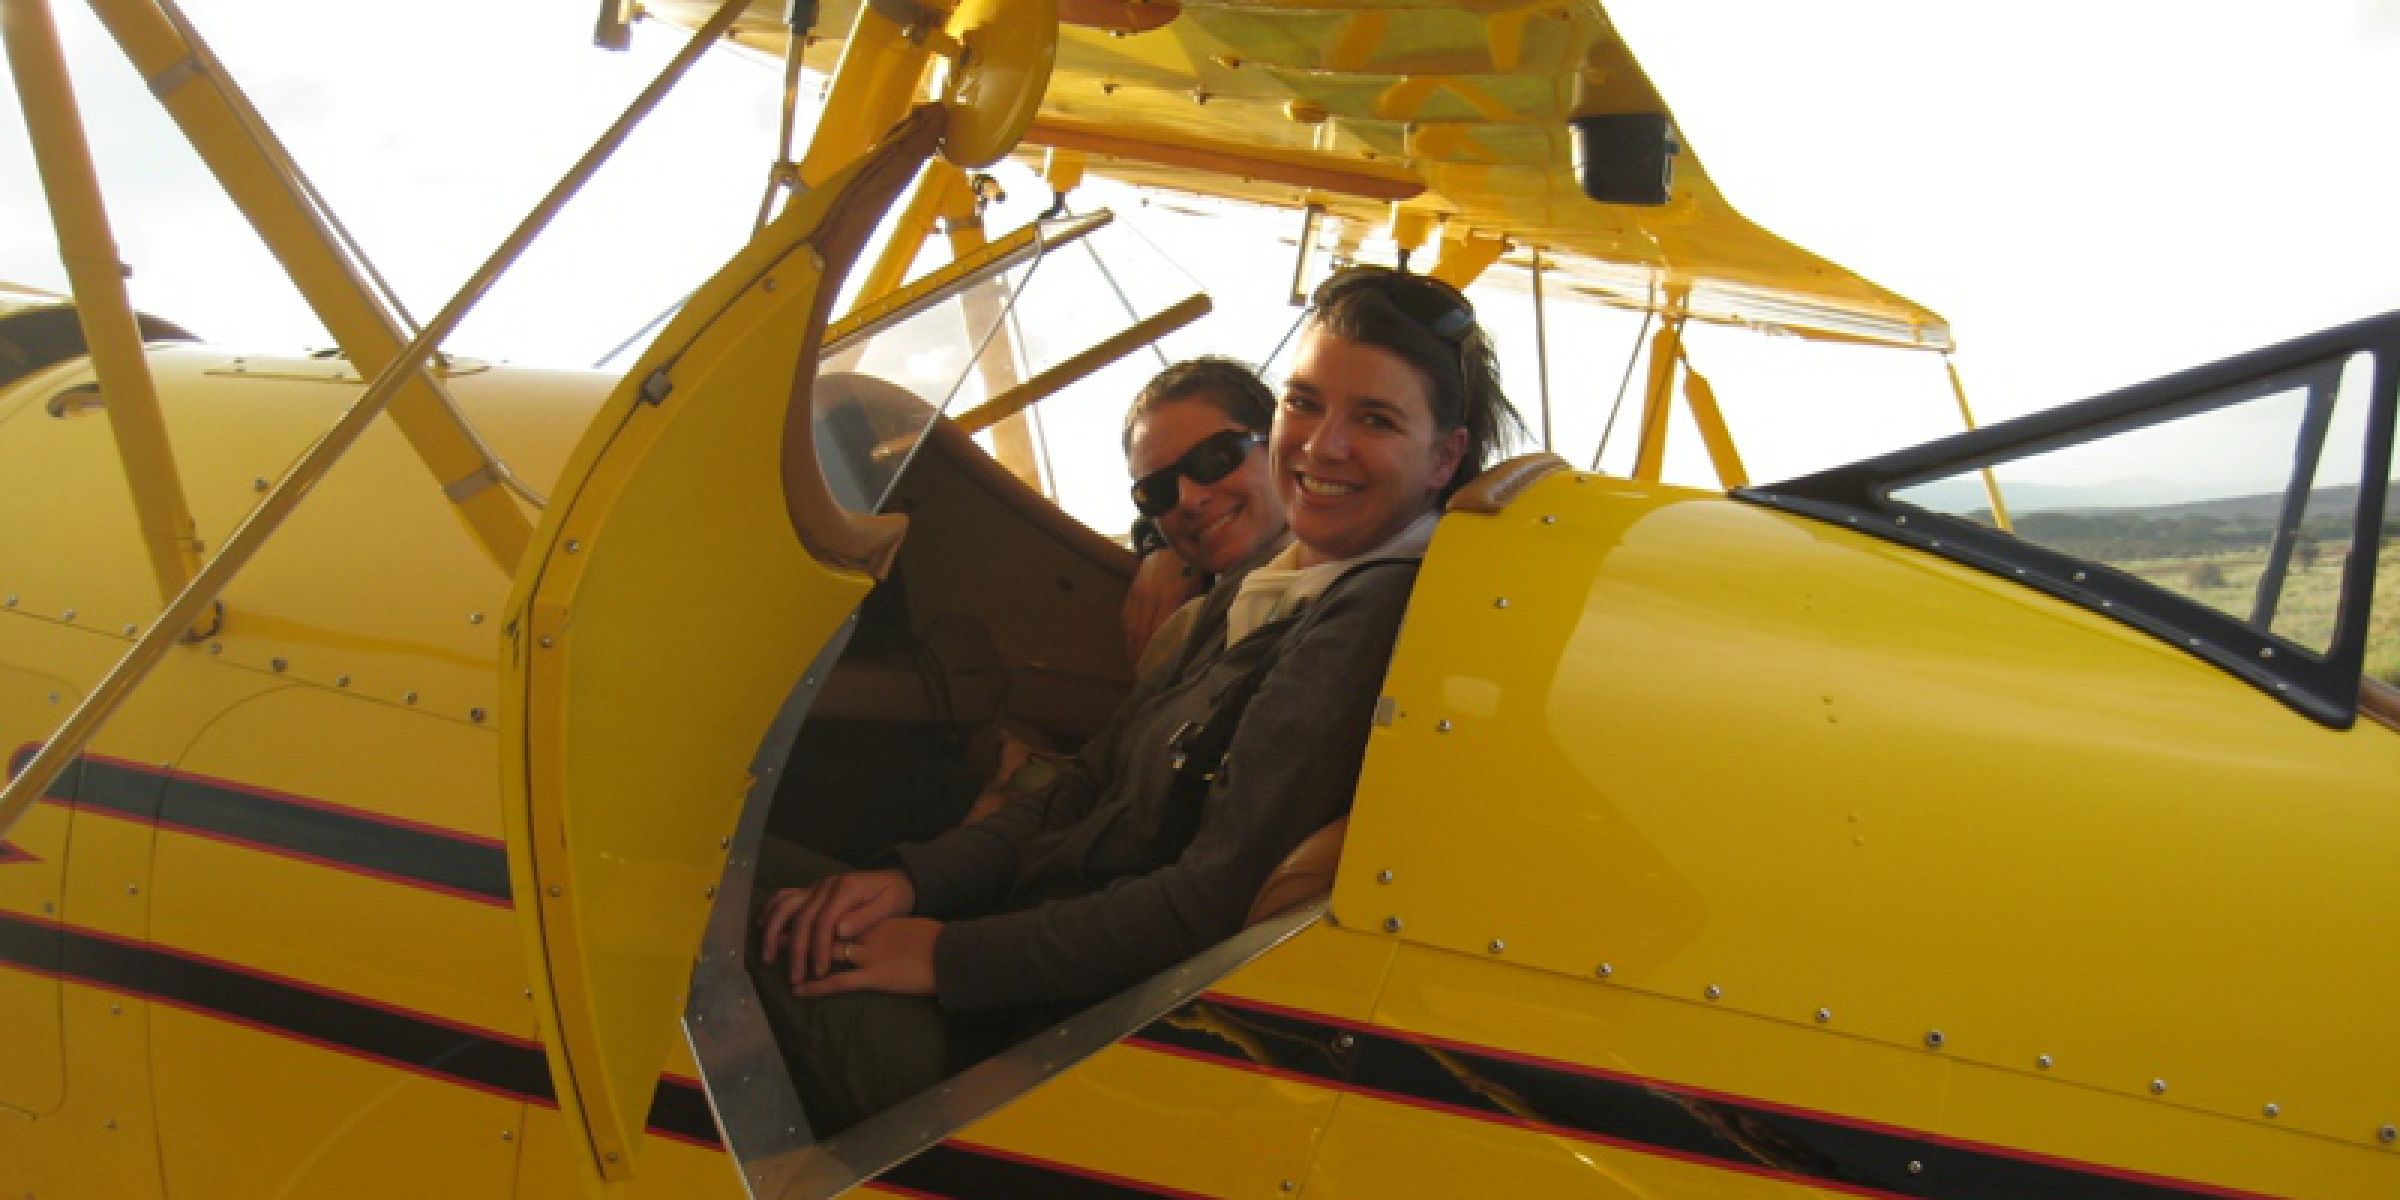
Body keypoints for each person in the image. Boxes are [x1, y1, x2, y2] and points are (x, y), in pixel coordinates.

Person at [751, 265, 1525, 1135]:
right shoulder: (1271, 584)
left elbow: (1206, 904)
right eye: (1305, 404)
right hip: (1027, 965)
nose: (1321, 446)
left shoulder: (1368, 615)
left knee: (694, 903)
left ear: (1445, 457)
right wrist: (910, 881)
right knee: (746, 879)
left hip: (1060, 1048)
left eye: (1375, 419)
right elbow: (1087, 782)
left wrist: (945, 955)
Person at [1118, 357, 1287, 669]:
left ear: (1279, 441)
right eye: (1157, 490)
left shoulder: (1354, 583)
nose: (1189, 500)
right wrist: (1160, 548)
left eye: (1211, 460)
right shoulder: (1185, 632)